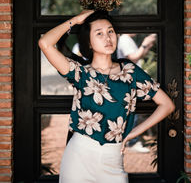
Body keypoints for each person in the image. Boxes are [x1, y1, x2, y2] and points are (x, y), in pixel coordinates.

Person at [38, 10, 175, 183]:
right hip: (78, 156)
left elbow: (167, 105)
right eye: (99, 33)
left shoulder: (130, 72)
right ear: (88, 41)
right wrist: (76, 20)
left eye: (110, 31)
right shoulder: (81, 73)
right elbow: (45, 43)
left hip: (113, 159)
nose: (107, 38)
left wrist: (132, 134)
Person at [117, 33, 156, 152]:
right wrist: (144, 43)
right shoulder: (124, 39)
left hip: (131, 79)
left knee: (133, 111)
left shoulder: (127, 39)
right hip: (129, 80)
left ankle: (131, 140)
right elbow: (133, 57)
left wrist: (148, 45)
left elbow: (137, 56)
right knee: (132, 111)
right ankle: (131, 142)